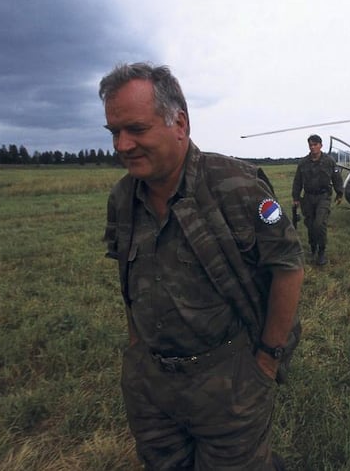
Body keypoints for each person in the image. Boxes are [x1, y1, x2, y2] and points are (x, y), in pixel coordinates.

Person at [100, 62, 304, 470]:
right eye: (114, 133)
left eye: (136, 130)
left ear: (180, 123)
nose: (122, 145)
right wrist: (137, 351)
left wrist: (267, 359)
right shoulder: (123, 198)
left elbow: (288, 267)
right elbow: (130, 282)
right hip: (150, 383)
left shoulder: (239, 185)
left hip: (228, 380)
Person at [291, 134, 344, 265]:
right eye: (311, 145)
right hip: (308, 197)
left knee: (319, 224)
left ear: (321, 145)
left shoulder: (329, 161)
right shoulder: (303, 162)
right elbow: (297, 181)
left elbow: (336, 178)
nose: (313, 147)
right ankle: (313, 248)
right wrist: (296, 198)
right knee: (310, 224)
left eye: (315, 145)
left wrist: (339, 193)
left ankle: (321, 252)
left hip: (323, 197)